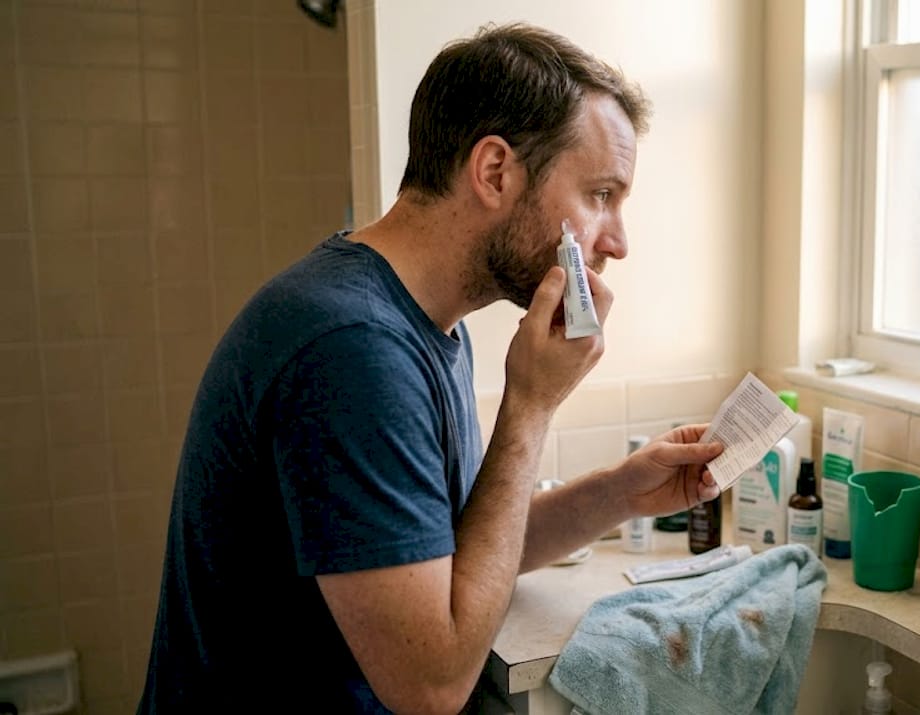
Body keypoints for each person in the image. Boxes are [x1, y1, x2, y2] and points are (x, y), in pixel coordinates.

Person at [137, 23, 725, 714]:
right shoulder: (350, 348)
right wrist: (530, 404)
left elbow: (458, 556)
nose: (618, 241)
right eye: (601, 194)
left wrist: (620, 492)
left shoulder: (418, 318)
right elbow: (432, 681)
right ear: (495, 172)